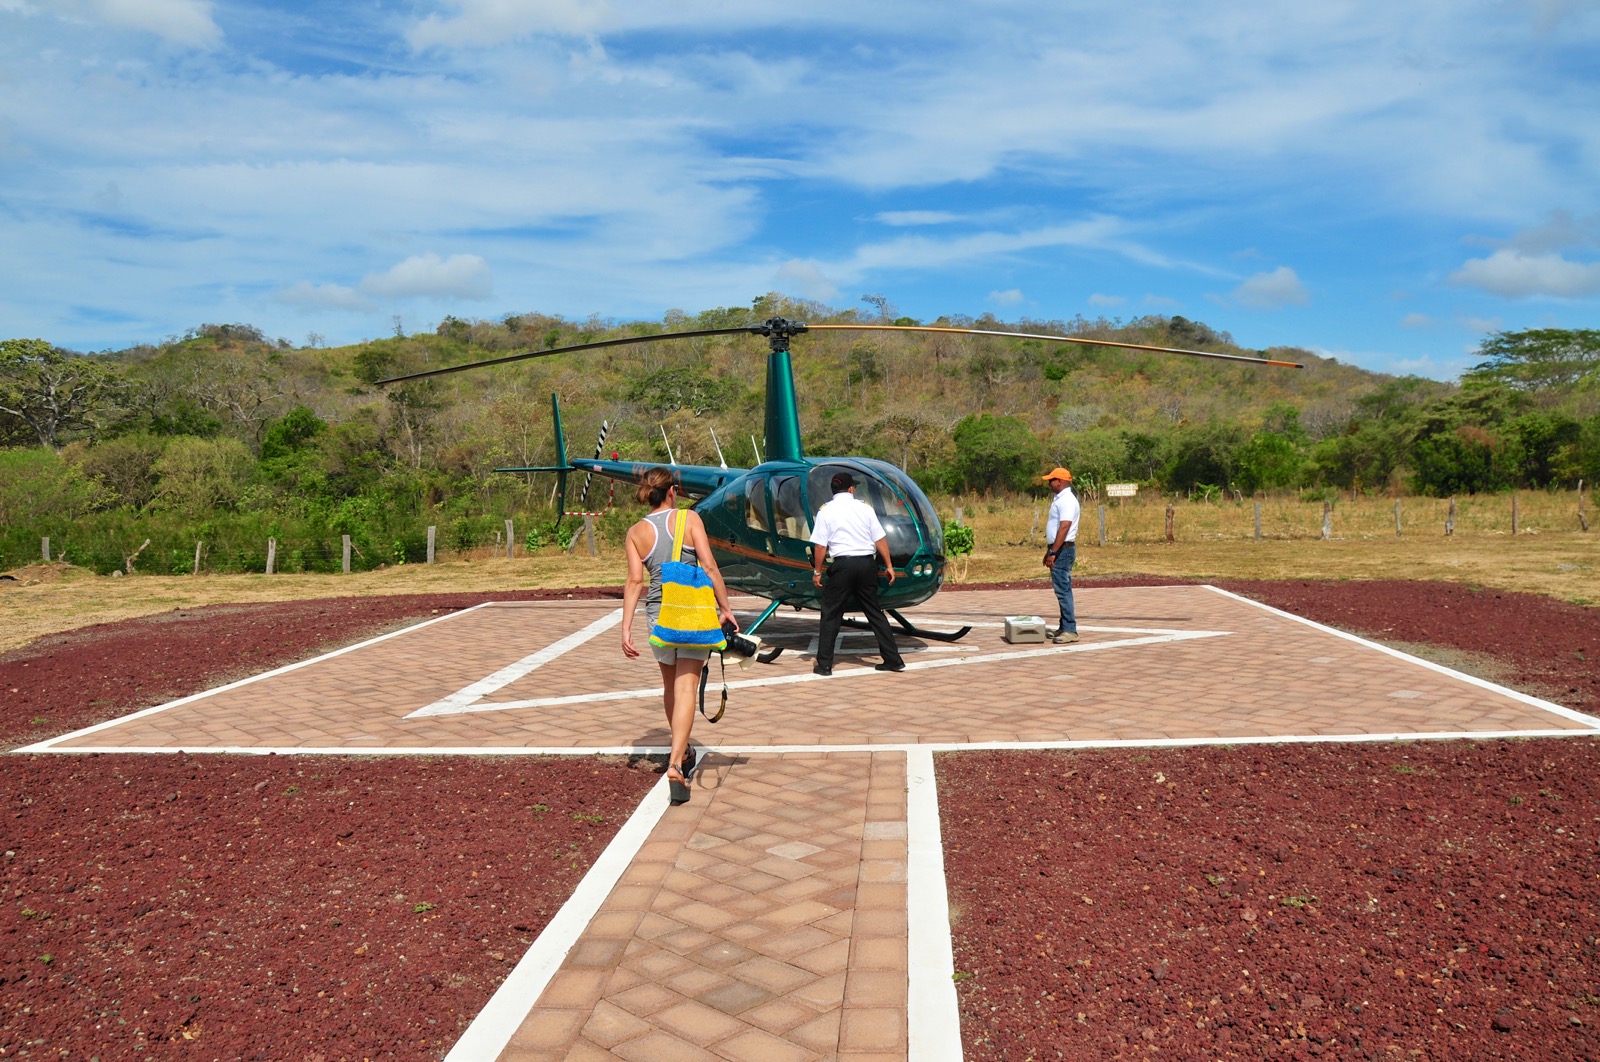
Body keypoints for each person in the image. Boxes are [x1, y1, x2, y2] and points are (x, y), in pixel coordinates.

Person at [622, 468, 738, 804]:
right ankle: (675, 764)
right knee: (687, 685)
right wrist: (725, 607)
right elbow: (710, 565)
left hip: (658, 614)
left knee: (671, 686)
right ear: (673, 490)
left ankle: (681, 748)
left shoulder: (635, 532)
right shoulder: (690, 519)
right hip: (690, 611)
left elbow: (634, 582)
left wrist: (626, 626)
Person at [809, 471, 905, 676]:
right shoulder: (865, 508)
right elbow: (880, 539)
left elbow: (820, 546)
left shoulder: (825, 511)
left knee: (831, 615)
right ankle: (893, 659)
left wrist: (817, 571)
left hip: (842, 566)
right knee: (874, 612)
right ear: (851, 489)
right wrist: (889, 565)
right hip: (866, 565)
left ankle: (825, 665)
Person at [1041, 466, 1080, 644]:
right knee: (1061, 589)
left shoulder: (1067, 501)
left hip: (1063, 550)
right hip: (1059, 548)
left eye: (1052, 480)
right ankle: (1064, 626)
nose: (1050, 483)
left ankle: (1070, 629)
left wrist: (1054, 551)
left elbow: (1064, 527)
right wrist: (1049, 550)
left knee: (1063, 590)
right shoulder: (1061, 499)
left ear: (1060, 481)